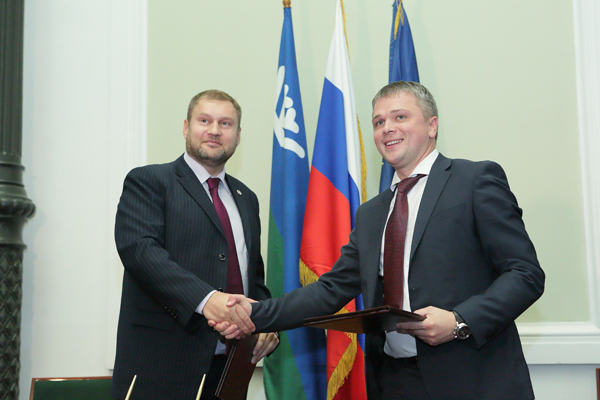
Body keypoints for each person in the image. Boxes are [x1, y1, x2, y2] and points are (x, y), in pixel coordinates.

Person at [212, 81, 545, 400]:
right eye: (379, 122)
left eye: (400, 117)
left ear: (432, 126)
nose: (387, 128)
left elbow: (525, 274)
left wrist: (459, 321)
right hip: (394, 382)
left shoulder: (474, 180)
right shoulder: (372, 213)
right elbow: (330, 290)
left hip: (473, 380)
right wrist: (254, 312)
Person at [111, 89, 278, 400]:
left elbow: (252, 277)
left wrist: (266, 321)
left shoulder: (246, 198)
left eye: (225, 123)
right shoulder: (150, 181)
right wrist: (207, 299)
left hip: (230, 368)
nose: (215, 130)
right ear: (186, 127)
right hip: (162, 368)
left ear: (238, 135)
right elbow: (140, 252)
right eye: (205, 120)